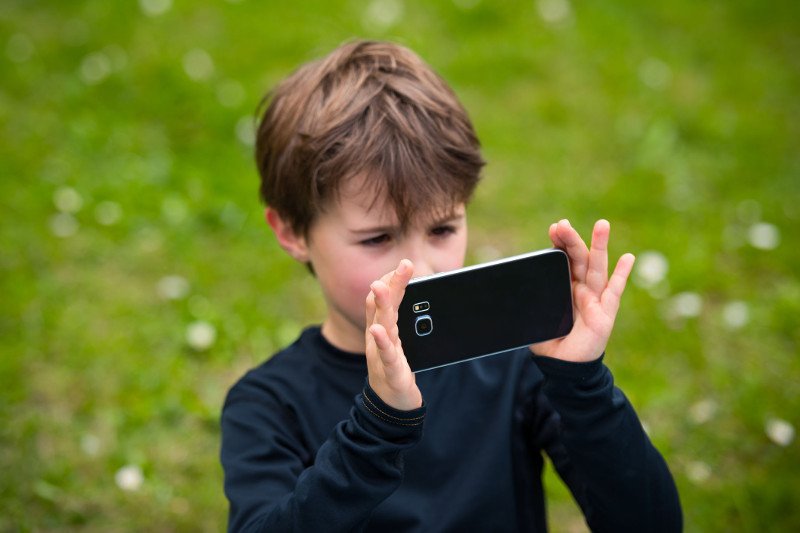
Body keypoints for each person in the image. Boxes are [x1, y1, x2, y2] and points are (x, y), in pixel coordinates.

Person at [220, 40, 682, 532]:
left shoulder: (514, 364)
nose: (421, 270)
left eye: (442, 230)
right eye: (377, 238)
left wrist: (583, 386)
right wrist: (377, 425)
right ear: (292, 231)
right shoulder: (268, 404)